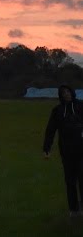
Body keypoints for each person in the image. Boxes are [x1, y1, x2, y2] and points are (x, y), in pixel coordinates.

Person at [44, 85, 83, 217]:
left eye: (68, 91)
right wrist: (47, 148)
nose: (66, 94)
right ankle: (74, 209)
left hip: (81, 149)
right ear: (61, 95)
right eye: (63, 93)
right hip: (66, 151)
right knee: (70, 181)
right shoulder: (57, 111)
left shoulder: (80, 106)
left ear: (72, 92)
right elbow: (50, 129)